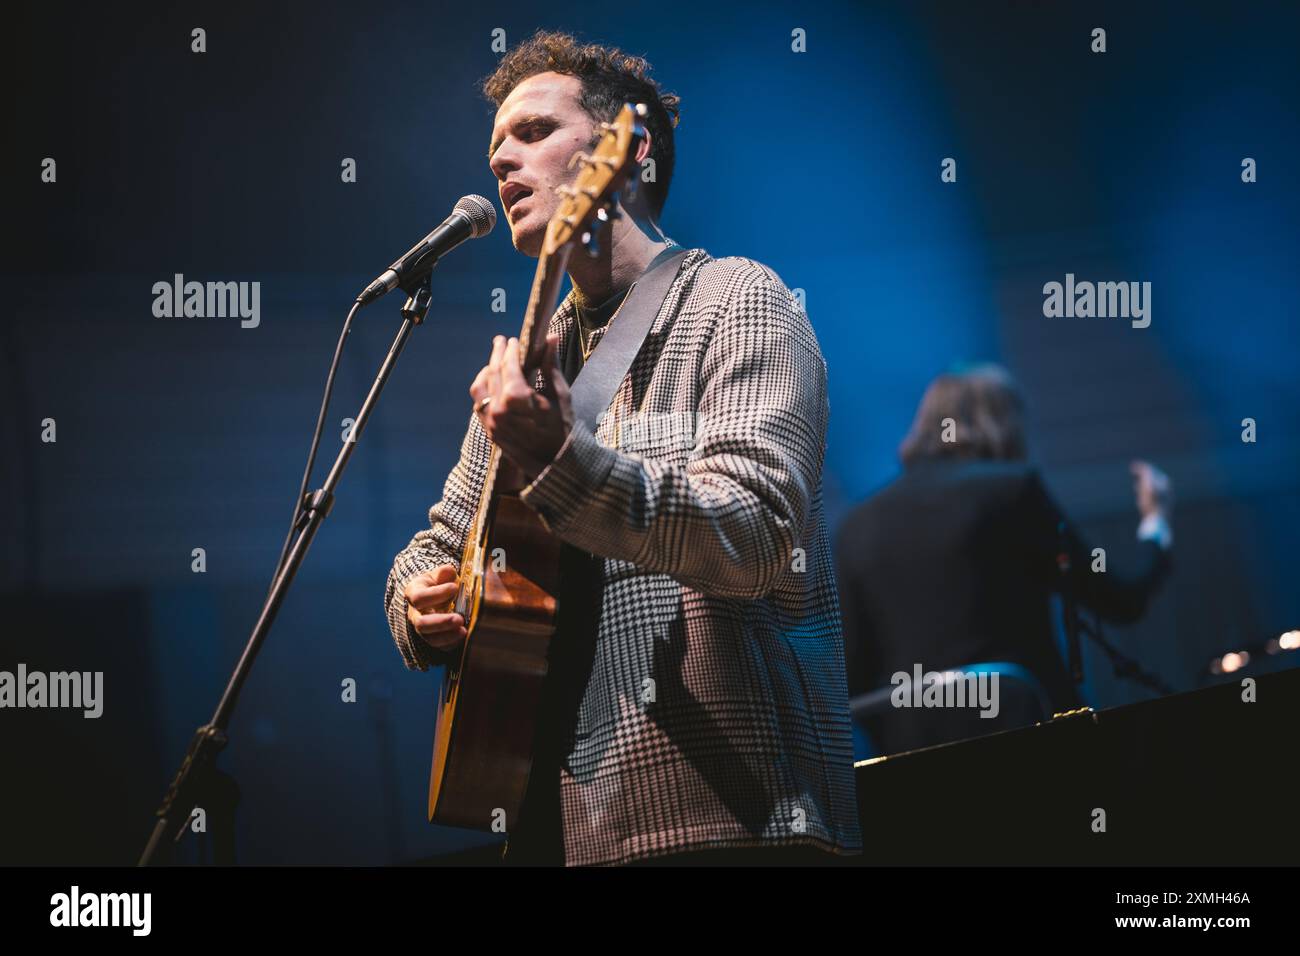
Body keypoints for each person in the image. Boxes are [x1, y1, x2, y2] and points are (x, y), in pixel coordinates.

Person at [383, 31, 861, 866]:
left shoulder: (737, 300)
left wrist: (566, 463)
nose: (502, 162)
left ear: (627, 151)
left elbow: (754, 538)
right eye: (495, 147)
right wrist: (417, 602)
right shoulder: (527, 365)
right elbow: (438, 538)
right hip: (551, 820)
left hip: (728, 816)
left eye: (533, 133)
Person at [834, 364, 1173, 754]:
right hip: (1029, 734)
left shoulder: (856, 525)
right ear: (1007, 424)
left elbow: (851, 676)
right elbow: (1120, 599)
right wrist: (1156, 524)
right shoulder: (1013, 490)